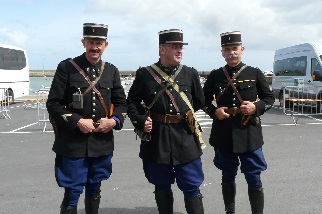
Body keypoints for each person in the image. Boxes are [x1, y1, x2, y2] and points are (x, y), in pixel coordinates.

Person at [46, 23, 127, 214]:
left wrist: (114, 121)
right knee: (72, 191)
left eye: (99, 43)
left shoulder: (111, 71)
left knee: (95, 187)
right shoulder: (67, 67)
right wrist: (77, 121)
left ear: (106, 45)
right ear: (83, 42)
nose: (95, 47)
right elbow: (54, 104)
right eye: (91, 42)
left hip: (101, 141)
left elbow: (122, 103)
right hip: (73, 142)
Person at [126, 29, 205, 214]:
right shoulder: (145, 74)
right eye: (174, 47)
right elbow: (131, 102)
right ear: (162, 49)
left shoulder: (190, 74)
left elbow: (200, 102)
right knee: (161, 186)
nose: (179, 51)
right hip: (157, 139)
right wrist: (140, 120)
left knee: (192, 186)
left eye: (181, 47)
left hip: (185, 137)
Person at [203, 31, 274, 214]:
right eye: (227, 49)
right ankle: (230, 211)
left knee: (254, 177)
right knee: (227, 176)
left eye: (235, 48)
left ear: (242, 49)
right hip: (224, 133)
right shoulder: (215, 75)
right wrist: (214, 111)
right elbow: (202, 100)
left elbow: (269, 98)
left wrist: (256, 107)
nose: (231, 52)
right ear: (222, 52)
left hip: (249, 132)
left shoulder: (255, 73)